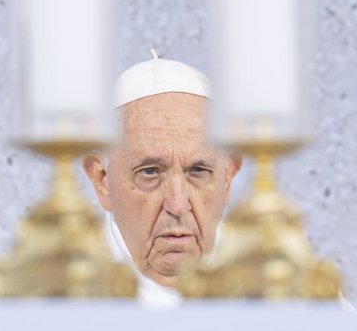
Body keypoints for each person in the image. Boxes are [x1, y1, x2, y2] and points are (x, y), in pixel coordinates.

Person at [83, 51, 242, 306]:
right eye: (150, 172)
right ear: (102, 181)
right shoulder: (59, 302)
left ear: (228, 176)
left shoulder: (273, 295)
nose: (178, 205)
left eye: (198, 171)